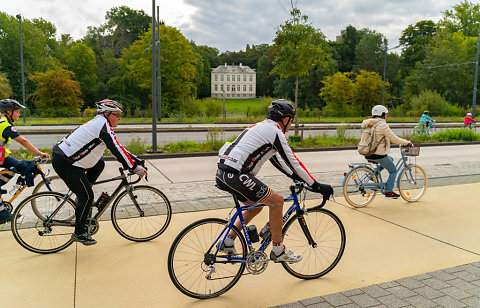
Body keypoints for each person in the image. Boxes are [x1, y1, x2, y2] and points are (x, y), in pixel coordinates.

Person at [215, 99, 333, 263]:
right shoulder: (275, 132)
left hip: (224, 174)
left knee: (255, 206)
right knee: (276, 201)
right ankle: (278, 250)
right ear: (285, 119)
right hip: (236, 174)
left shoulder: (261, 127)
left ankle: (228, 241)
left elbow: (277, 160)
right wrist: (316, 185)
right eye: (291, 121)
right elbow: (293, 162)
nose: (290, 125)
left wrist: (294, 177)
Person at [52, 99, 147, 245]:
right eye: (117, 114)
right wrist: (133, 167)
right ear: (107, 113)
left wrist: (136, 162)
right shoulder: (102, 125)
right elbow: (115, 149)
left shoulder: (101, 123)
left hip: (68, 159)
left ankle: (82, 197)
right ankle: (79, 233)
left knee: (99, 164)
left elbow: (118, 147)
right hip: (66, 163)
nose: (119, 118)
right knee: (87, 197)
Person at [0, 99, 51, 224]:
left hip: (2, 156)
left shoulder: (4, 122)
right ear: (8, 112)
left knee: (20, 166)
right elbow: (23, 141)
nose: (19, 114)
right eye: (17, 112)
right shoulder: (5, 125)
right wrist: (39, 153)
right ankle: (2, 214)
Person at [361, 105, 412, 198]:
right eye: (386, 114)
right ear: (383, 114)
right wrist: (406, 142)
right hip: (378, 155)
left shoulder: (370, 123)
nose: (386, 116)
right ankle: (389, 191)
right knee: (393, 171)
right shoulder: (383, 125)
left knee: (390, 159)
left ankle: (374, 175)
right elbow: (394, 138)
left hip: (368, 153)